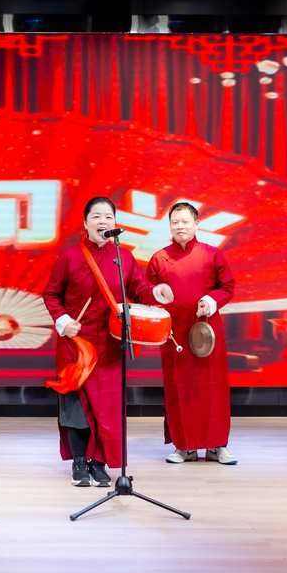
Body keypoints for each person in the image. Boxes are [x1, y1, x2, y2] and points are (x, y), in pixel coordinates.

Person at [42, 197, 167, 487]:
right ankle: (79, 461)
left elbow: (139, 288)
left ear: (115, 223)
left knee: (107, 408)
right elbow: (51, 295)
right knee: (76, 407)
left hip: (110, 344)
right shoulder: (70, 256)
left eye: (108, 217)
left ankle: (98, 463)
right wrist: (63, 321)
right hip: (77, 344)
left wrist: (156, 292)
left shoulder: (123, 257)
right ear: (85, 223)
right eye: (96, 216)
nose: (103, 222)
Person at [147, 201, 237, 465]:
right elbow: (146, 291)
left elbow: (227, 287)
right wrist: (155, 298)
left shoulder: (212, 255)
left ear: (196, 224)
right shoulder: (159, 259)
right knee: (179, 388)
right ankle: (183, 446)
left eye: (185, 221)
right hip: (174, 334)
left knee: (212, 388)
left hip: (206, 332)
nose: (180, 226)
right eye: (175, 222)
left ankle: (217, 446)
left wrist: (211, 300)